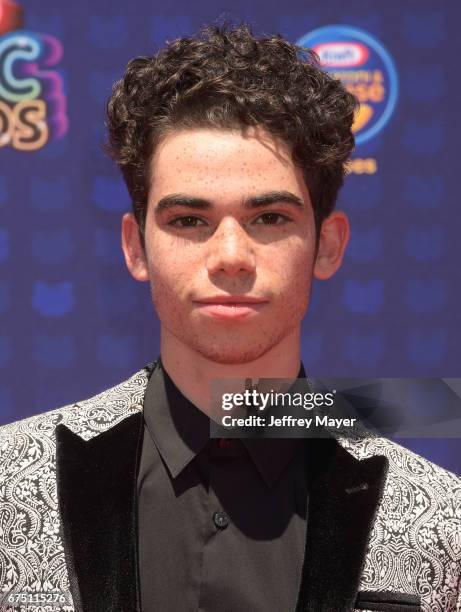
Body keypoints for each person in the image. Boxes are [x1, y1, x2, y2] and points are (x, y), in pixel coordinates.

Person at [0, 23, 459, 612]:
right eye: (189, 220)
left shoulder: (441, 526)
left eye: (269, 218)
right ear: (135, 247)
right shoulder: (13, 490)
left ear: (327, 245)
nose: (231, 258)